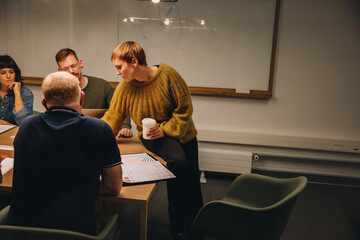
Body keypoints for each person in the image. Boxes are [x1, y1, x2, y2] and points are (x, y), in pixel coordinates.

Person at [102, 41, 203, 240]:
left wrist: (164, 129)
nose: (118, 73)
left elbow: (185, 110)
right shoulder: (125, 88)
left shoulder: (168, 75)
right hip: (152, 136)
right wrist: (88, 134)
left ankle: (197, 228)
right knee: (179, 166)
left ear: (133, 62)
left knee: (192, 181)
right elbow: (111, 119)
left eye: (119, 67)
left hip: (182, 133)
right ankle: (179, 228)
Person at [8, 71, 123, 235]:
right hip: (76, 234)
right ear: (81, 98)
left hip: (21, 233)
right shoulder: (100, 129)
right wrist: (84, 183)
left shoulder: (26, 126)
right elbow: (113, 188)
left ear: (44, 103)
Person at [55, 48, 132, 137]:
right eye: (66, 69)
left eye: (73, 66)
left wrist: (125, 127)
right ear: (60, 71)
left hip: (102, 136)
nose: (71, 71)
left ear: (81, 64)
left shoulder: (102, 86)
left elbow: (121, 108)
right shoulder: (59, 93)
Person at [0, 55, 33, 125]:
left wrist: (17, 94)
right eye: (3, 73)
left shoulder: (26, 93)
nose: (8, 76)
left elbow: (23, 123)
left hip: (15, 134)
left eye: (11, 72)